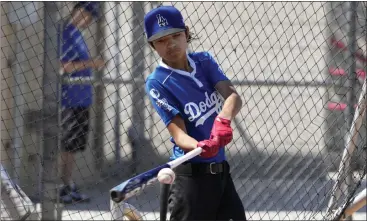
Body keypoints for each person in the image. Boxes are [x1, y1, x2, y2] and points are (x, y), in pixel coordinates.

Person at [144, 5, 246, 221]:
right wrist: (199, 146)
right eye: (161, 40)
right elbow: (179, 135)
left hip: (221, 174)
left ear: (187, 34)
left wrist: (223, 121)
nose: (170, 44)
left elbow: (232, 96)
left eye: (175, 35)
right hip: (191, 179)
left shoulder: (204, 61)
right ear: (153, 45)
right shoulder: (157, 82)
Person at [59, 1, 105, 204]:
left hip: (81, 99)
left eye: (90, 17)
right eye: (86, 14)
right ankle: (61, 186)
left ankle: (68, 184)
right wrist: (92, 63)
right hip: (68, 99)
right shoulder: (66, 33)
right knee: (66, 143)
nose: (88, 20)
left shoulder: (78, 35)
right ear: (77, 11)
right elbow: (64, 66)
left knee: (74, 145)